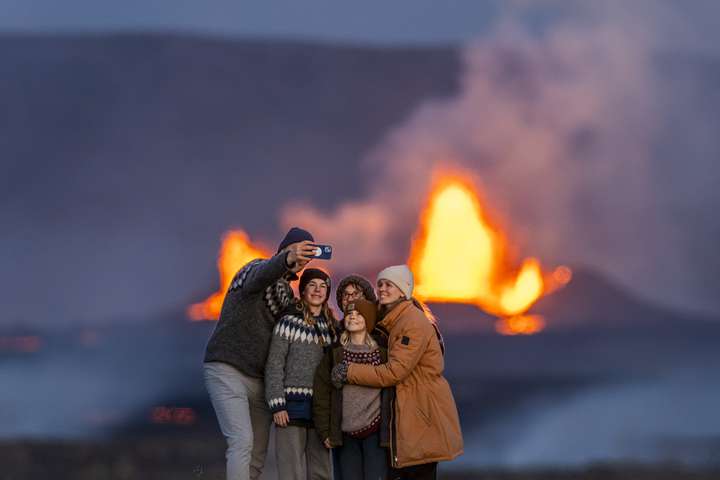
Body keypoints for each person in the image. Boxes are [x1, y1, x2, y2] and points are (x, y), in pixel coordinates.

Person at [203, 227, 319, 480]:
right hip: (227, 368)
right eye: (299, 251)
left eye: (306, 255)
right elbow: (262, 275)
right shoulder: (251, 271)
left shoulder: (287, 295)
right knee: (241, 441)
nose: (301, 259)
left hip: (259, 380)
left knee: (256, 453)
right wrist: (287, 258)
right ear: (286, 250)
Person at [332, 265, 463, 480]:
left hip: (421, 414)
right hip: (410, 414)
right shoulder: (393, 320)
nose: (382, 289)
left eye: (389, 285)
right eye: (380, 284)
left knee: (419, 472)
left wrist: (349, 371)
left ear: (404, 291)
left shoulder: (412, 323)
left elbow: (394, 372)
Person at [265, 268, 337, 480]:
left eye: (323, 286)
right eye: (312, 285)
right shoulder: (288, 322)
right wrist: (277, 403)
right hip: (290, 410)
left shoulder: (332, 328)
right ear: (303, 290)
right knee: (291, 472)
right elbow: (274, 364)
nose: (318, 290)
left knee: (321, 472)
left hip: (320, 411)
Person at [314, 298, 390, 480]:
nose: (353, 317)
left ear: (369, 320)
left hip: (375, 432)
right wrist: (325, 431)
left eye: (359, 314)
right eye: (349, 314)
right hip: (345, 434)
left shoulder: (382, 354)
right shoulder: (335, 354)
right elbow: (321, 393)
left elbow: (393, 391)